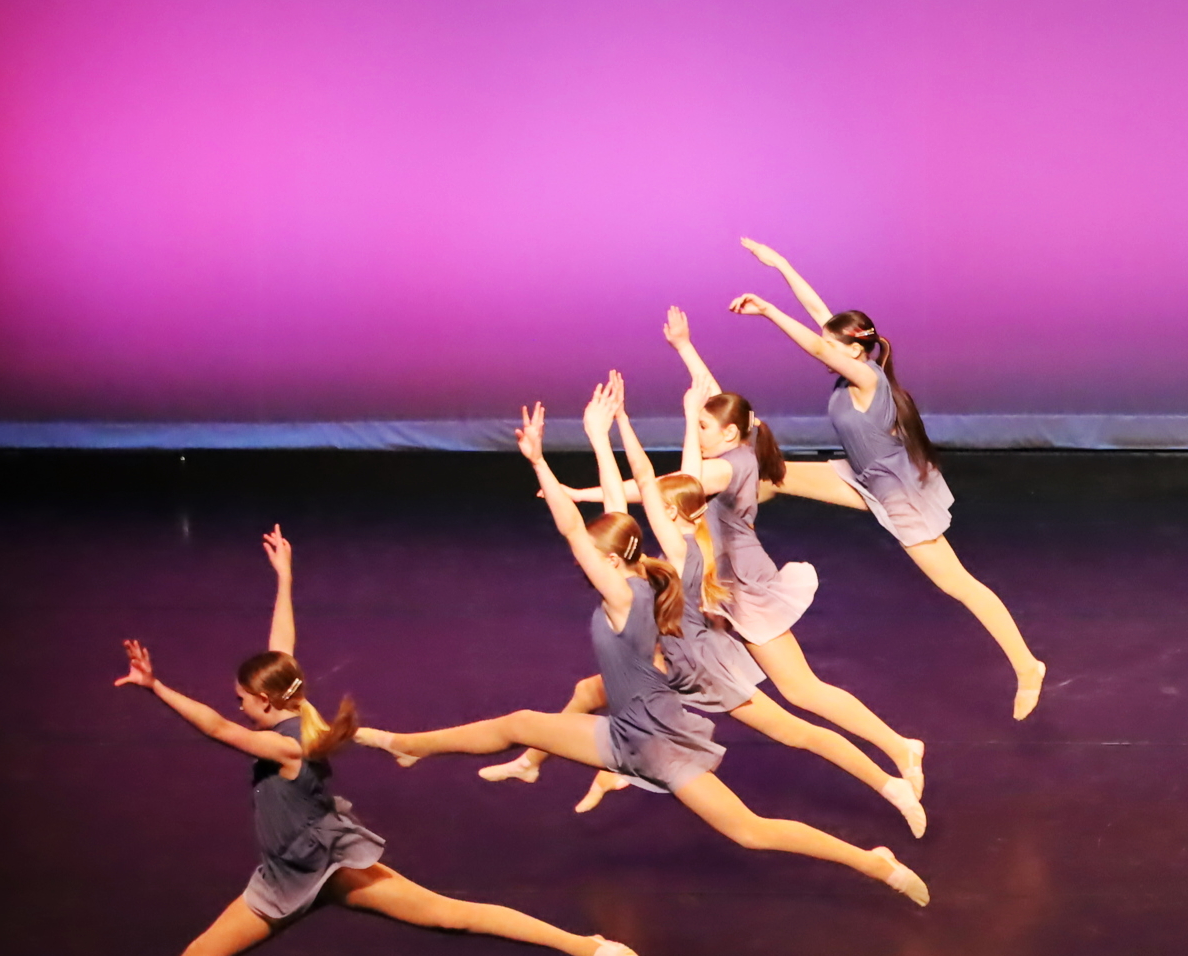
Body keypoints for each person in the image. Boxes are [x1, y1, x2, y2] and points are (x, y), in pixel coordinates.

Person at [51, 526, 644, 956]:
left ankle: (587, 947)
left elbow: (215, 727)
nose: (237, 705)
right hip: (293, 874)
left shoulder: (285, 744)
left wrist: (156, 687)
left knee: (451, 916)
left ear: (265, 704)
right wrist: (284, 578)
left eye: (242, 699)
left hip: (327, 871)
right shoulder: (296, 707)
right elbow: (281, 648)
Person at [354, 390, 930, 904]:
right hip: (630, 722)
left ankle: (875, 850)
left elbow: (587, 525)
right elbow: (621, 504)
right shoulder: (649, 566)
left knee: (755, 820)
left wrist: (552, 459)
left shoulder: (648, 580)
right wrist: (601, 436)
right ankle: (419, 747)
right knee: (531, 718)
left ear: (614, 559)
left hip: (667, 721)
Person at [483, 375, 928, 839]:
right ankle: (533, 761)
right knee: (589, 691)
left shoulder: (679, 554)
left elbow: (644, 483)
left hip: (701, 670)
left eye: (660, 505)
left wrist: (619, 429)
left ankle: (890, 785)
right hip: (662, 663)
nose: (650, 508)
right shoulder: (659, 550)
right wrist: (604, 432)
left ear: (676, 514)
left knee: (797, 731)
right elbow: (622, 500)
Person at [546, 309, 927, 796]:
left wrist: (582, 494)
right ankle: (632, 754)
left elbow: (657, 487)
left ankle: (900, 747)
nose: (698, 431)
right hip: (715, 589)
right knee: (654, 662)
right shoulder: (738, 444)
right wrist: (685, 348)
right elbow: (712, 395)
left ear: (728, 432)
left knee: (801, 690)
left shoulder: (723, 469)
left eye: (705, 427)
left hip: (742, 591)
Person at [725, 237, 1050, 717]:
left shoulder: (868, 378)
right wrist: (781, 265)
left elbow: (816, 343)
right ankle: (725, 545)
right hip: (862, 477)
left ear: (855, 351)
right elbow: (819, 315)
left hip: (899, 495)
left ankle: (1027, 665)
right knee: (772, 477)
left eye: (833, 348)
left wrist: (770, 311)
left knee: (958, 584)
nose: (826, 352)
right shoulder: (855, 361)